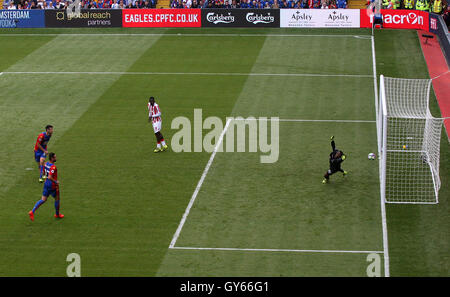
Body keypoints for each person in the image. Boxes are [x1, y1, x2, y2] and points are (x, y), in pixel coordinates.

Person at [28, 153, 64, 221]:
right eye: (55, 157)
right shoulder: (53, 167)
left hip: (46, 184)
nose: (56, 158)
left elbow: (44, 172)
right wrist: (56, 182)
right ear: (52, 158)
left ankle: (32, 211)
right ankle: (57, 214)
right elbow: (50, 177)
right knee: (57, 198)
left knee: (43, 199)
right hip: (52, 185)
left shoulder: (46, 164)